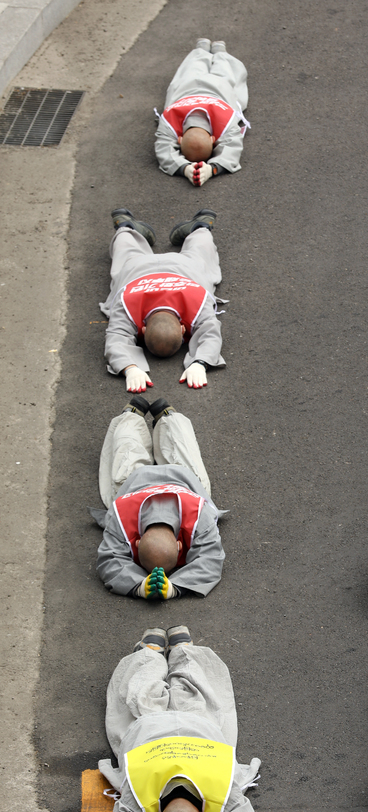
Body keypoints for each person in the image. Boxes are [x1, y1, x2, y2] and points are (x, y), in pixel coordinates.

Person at [99, 625, 263, 812]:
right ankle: (154, 653)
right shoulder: (137, 800)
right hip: (149, 729)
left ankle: (178, 648)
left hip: (199, 728)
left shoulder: (223, 791)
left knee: (197, 696)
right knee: (142, 698)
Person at [90, 397, 225, 600]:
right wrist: (174, 587)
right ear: (179, 546)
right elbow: (211, 560)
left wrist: (138, 585)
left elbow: (110, 561)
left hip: (164, 481)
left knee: (131, 457)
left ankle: (153, 417)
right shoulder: (201, 514)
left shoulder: (121, 516)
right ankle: (147, 417)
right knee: (130, 456)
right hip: (168, 480)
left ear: (137, 543)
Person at [100, 208, 225, 392]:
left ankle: (201, 227)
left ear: (143, 329)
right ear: (183, 329)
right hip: (140, 268)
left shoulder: (128, 305)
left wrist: (130, 368)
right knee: (125, 251)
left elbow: (116, 339)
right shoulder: (128, 303)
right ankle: (125, 228)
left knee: (200, 251)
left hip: (181, 268)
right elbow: (211, 333)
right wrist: (200, 363)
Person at [155, 39, 249, 186]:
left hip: (219, 88)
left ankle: (218, 51)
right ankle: (207, 49)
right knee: (192, 70)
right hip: (189, 87)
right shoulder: (168, 121)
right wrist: (208, 169)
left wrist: (190, 169)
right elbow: (163, 146)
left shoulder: (227, 122)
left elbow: (232, 146)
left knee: (226, 77)